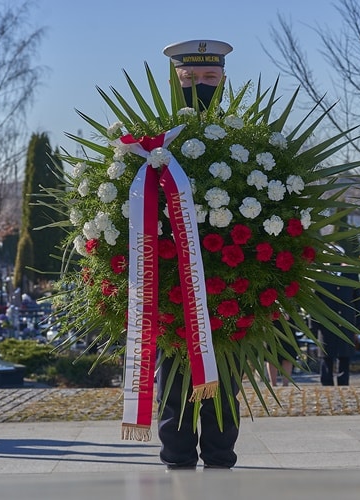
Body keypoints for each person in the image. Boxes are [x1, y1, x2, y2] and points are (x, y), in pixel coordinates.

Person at [156, 39, 239, 471]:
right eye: (189, 79)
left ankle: (222, 458)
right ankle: (177, 457)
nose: (200, 87)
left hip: (230, 282)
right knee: (173, 378)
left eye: (209, 77)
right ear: (174, 81)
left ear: (224, 79)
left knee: (225, 375)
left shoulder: (244, 137)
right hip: (172, 281)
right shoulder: (154, 139)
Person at [313, 249, 360, 386]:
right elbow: (314, 303)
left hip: (346, 322)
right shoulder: (321, 276)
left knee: (344, 356)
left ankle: (343, 383)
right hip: (326, 324)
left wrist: (359, 325)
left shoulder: (351, 275)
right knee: (326, 356)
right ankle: (326, 383)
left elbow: (358, 301)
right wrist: (314, 326)